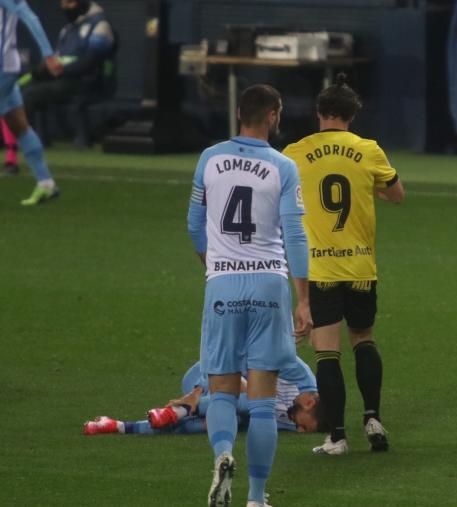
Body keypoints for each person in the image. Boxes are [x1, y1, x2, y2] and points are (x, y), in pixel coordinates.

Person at [187, 84, 312, 507]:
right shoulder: (283, 166)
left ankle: (223, 454)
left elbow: (193, 225)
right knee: (261, 404)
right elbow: (294, 235)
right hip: (269, 285)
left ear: (239, 112)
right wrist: (303, 299)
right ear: (274, 115)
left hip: (222, 285)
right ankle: (257, 498)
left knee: (220, 390)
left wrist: (216, 266)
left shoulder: (209, 158)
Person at [283, 77, 405, 456]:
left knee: (327, 353)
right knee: (364, 339)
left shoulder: (295, 153)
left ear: (319, 113)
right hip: (360, 268)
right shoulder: (368, 150)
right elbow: (397, 195)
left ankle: (336, 436)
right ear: (353, 115)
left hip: (320, 270)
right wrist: (371, 187)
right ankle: (372, 417)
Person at [83, 357, 326, 436]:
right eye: (304, 424)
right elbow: (232, 357)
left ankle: (118, 426)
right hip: (205, 375)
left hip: (224, 399)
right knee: (240, 402)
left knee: (231, 418)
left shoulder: (293, 418)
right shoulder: (296, 374)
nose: (299, 431)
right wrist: (202, 392)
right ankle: (185, 406)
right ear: (309, 402)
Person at [21, 0, 115, 147]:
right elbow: (59, 58)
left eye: (70, 3)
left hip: (88, 81)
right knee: (28, 87)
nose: (66, 8)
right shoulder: (67, 30)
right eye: (63, 4)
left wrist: (62, 70)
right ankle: (38, 139)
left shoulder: (100, 26)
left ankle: (23, 140)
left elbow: (91, 62)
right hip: (66, 80)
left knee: (31, 94)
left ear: (81, 2)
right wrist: (44, 69)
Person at [0, 0, 61, 205]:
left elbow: (29, 17)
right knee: (18, 124)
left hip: (2, 67)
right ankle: (46, 183)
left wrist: (48, 54)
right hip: (6, 67)